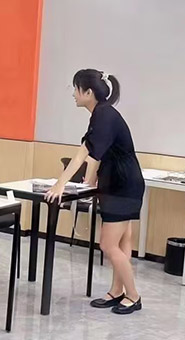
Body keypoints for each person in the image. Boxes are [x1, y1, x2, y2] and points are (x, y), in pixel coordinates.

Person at [45, 69, 144, 315]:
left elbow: (83, 153)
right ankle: (117, 291)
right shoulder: (102, 114)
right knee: (122, 242)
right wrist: (89, 181)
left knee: (108, 245)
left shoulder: (104, 115)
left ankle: (133, 296)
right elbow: (95, 152)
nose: (73, 94)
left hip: (122, 186)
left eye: (76, 89)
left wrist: (60, 183)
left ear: (88, 92)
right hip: (121, 184)